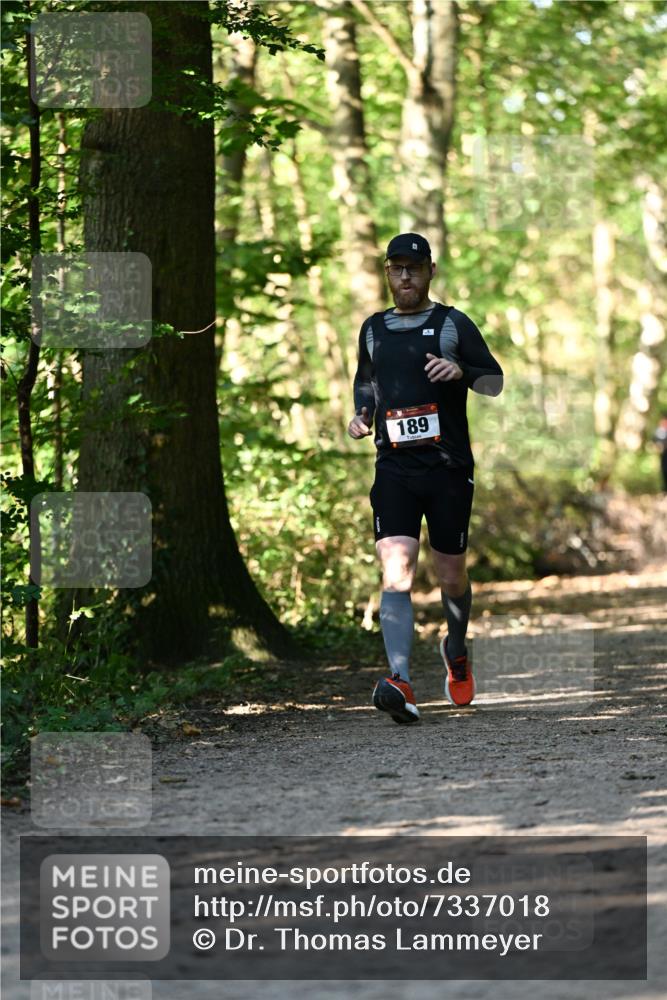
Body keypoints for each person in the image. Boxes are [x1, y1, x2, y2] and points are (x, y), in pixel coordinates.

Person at [348, 233, 503, 725]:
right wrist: (362, 413)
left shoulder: (452, 323)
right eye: (397, 268)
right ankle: (399, 679)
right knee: (396, 570)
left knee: (451, 574)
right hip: (394, 467)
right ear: (387, 273)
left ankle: (455, 649)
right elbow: (366, 380)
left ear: (430, 271)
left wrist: (459, 371)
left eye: (414, 268)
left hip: (448, 469)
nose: (406, 277)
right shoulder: (373, 329)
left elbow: (494, 381)